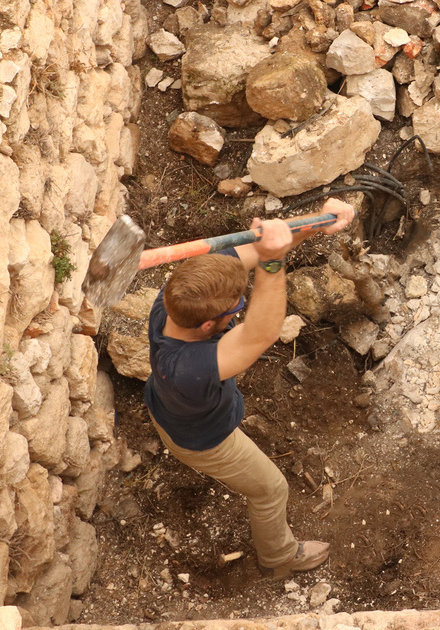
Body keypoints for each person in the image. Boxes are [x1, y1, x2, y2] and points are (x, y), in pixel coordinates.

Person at [144, 198, 355, 579]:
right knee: (271, 489)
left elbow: (258, 248)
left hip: (167, 407)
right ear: (208, 326)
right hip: (205, 439)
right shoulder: (190, 370)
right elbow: (263, 332)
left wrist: (314, 223)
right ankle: (279, 559)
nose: (241, 309)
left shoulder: (175, 299)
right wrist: (273, 265)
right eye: (236, 307)